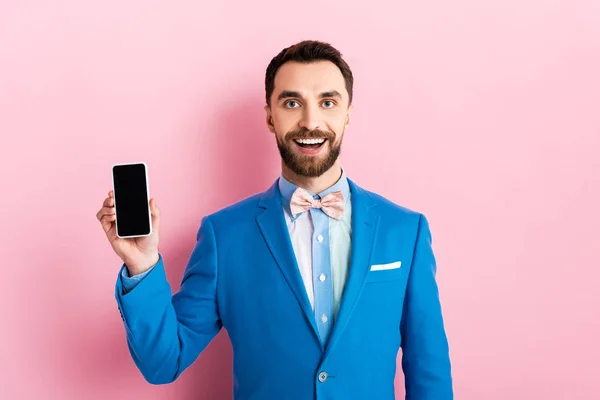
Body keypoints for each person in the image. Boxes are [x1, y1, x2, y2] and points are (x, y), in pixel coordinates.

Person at [96, 40, 453, 399]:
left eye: (327, 102)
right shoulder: (224, 236)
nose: (310, 121)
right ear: (270, 116)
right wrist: (141, 266)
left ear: (347, 113)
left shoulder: (405, 230)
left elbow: (430, 373)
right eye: (292, 103)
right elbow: (163, 362)